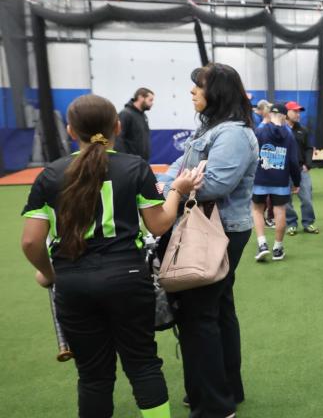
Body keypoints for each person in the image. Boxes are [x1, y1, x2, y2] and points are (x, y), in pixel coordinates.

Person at [20, 94, 204, 418]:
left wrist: (49, 273)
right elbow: (160, 226)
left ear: (70, 130)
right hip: (128, 279)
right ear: (117, 127)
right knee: (143, 364)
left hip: (72, 283)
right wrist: (177, 190)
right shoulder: (134, 166)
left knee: (93, 376)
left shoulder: (50, 174)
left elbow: (30, 242)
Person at [159, 63, 259, 418]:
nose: (192, 92)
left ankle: (215, 405)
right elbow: (176, 171)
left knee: (199, 316)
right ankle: (222, 390)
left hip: (218, 229)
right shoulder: (213, 129)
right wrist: (175, 184)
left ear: (216, 91)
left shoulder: (231, 134)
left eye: (198, 86)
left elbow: (214, 183)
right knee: (216, 310)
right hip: (213, 226)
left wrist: (174, 186)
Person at [252, 104, 301, 261]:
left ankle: (262, 245)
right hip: (281, 180)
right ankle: (278, 249)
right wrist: (297, 181)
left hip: (259, 179)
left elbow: (252, 156)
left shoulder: (259, 131)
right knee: (280, 213)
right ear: (285, 116)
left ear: (269, 114)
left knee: (257, 210)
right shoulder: (289, 135)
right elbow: (293, 161)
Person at [283, 100, 319, 236]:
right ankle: (291, 224)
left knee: (307, 199)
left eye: (299, 111)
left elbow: (309, 148)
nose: (298, 114)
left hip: (300, 170)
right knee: (286, 200)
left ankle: (308, 222)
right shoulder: (278, 129)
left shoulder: (303, 130)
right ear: (286, 113)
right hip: (284, 171)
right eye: (295, 111)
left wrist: (307, 164)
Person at [116, 87, 154, 162]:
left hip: (141, 162)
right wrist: (125, 160)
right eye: (150, 100)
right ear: (140, 98)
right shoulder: (125, 114)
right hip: (130, 163)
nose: (152, 103)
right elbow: (118, 138)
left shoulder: (143, 116)